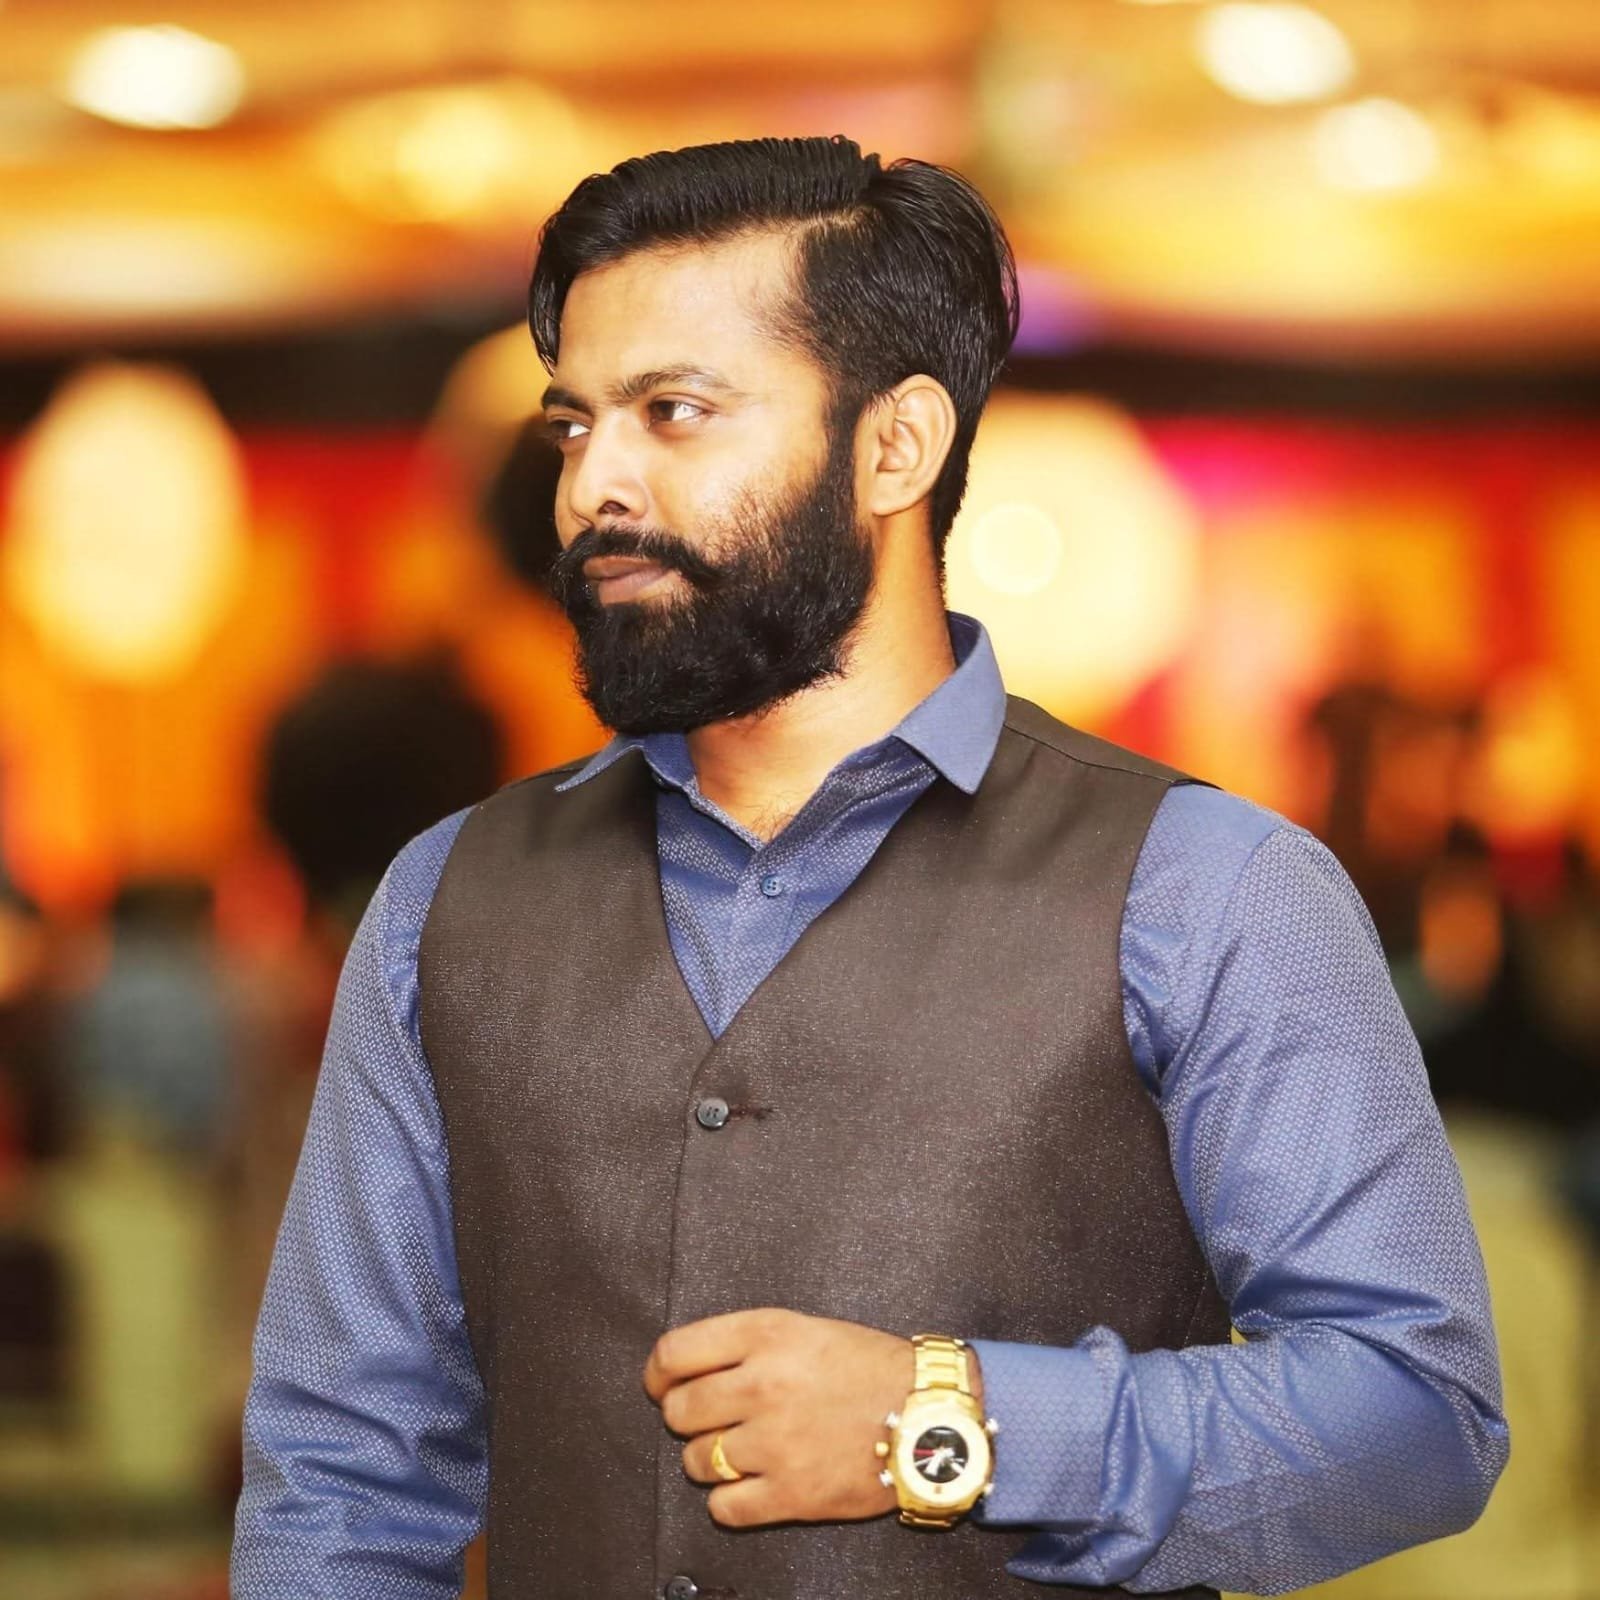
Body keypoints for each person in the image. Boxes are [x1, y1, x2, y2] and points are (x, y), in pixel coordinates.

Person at [232, 136, 1507, 1600]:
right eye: (575, 425)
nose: (592, 488)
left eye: (673, 412)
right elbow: (344, 1477)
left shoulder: (1211, 887)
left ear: (895, 447)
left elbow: (1420, 1415)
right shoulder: (443, 902)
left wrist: (951, 1425)